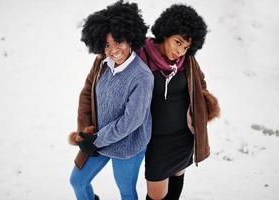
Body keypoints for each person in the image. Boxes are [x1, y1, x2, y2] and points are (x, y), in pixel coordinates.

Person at [69, 1, 154, 200]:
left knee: (126, 192)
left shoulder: (142, 76)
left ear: (130, 39)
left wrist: (97, 140)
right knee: (78, 181)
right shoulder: (102, 63)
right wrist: (85, 132)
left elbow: (131, 121)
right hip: (97, 138)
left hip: (128, 145)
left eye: (118, 42)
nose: (113, 50)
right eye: (107, 45)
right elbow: (86, 94)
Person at [137, 4, 220, 200]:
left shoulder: (188, 62)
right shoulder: (141, 56)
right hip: (155, 139)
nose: (180, 51)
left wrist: (199, 108)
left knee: (175, 186)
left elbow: (200, 85)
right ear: (165, 32)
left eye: (186, 47)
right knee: (156, 196)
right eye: (178, 42)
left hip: (183, 137)